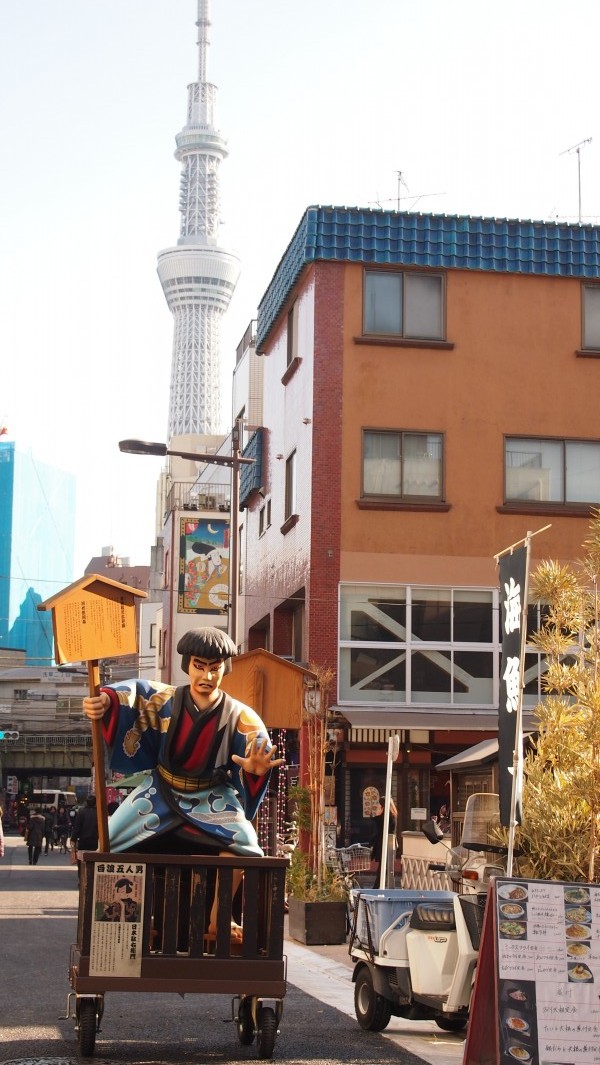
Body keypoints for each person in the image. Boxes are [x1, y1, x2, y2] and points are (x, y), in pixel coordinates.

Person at [82, 626, 283, 940]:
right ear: (188, 665)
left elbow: (256, 747)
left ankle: (221, 920)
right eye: (199, 666)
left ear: (225, 669)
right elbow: (130, 693)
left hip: (212, 796)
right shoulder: (164, 699)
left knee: (245, 845)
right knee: (111, 842)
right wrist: (104, 702)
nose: (206, 676)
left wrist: (255, 769)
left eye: (215, 668)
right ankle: (127, 918)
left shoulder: (242, 716)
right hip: (160, 790)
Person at [370, 795, 398, 888]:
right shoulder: (391, 815)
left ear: (383, 807)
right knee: (383, 868)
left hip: (385, 844)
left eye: (379, 806)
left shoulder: (386, 818)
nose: (377, 808)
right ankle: (378, 887)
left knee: (383, 868)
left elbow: (378, 829)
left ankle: (377, 888)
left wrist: (377, 816)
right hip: (387, 844)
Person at [70, 795, 99, 881]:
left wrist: (73, 839)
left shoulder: (81, 811)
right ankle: (91, 879)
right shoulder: (99, 812)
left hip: (83, 841)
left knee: (81, 861)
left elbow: (77, 827)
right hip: (95, 842)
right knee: (94, 861)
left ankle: (82, 879)